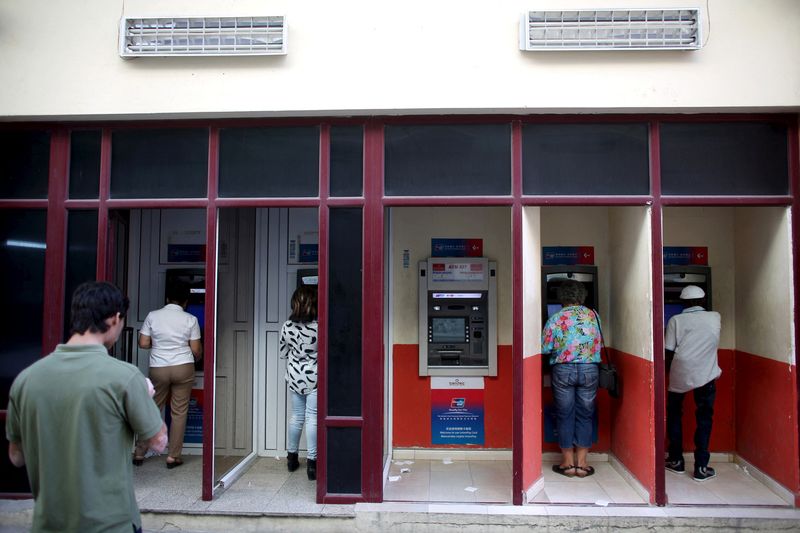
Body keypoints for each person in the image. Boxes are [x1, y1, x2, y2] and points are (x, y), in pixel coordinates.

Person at [6, 281, 167, 533]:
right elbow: (158, 442)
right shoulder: (125, 377)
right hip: (111, 525)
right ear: (115, 319)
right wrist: (144, 397)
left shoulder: (26, 379)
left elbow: (16, 457)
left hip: (48, 525)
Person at [134, 281, 203, 469]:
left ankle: (140, 452)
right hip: (183, 366)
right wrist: (196, 355)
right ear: (186, 301)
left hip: (159, 366)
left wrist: (158, 346)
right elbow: (196, 349)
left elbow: (143, 343)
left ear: (167, 299)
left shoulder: (153, 316)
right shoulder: (190, 319)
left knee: (153, 409)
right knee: (179, 412)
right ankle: (173, 456)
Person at [541, 279, 602, 478]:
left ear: (561, 298)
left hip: (563, 369)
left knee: (564, 413)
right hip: (589, 369)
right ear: (582, 296)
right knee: (585, 413)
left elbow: (545, 347)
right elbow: (599, 343)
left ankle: (567, 464)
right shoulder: (593, 316)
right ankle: (582, 465)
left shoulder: (555, 318)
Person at [664, 284, 721, 482]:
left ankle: (677, 460)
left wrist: (666, 374)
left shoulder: (675, 320)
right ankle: (701, 467)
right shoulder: (715, 317)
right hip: (707, 374)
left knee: (674, 415)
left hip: (681, 372)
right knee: (704, 418)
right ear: (704, 300)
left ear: (682, 302)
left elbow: (669, 350)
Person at [280, 284, 318, 481]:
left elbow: (282, 353)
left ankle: (291, 458)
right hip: (315, 377)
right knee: (313, 418)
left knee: (296, 417)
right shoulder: (319, 327)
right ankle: (312, 464)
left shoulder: (287, 326)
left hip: (295, 376)